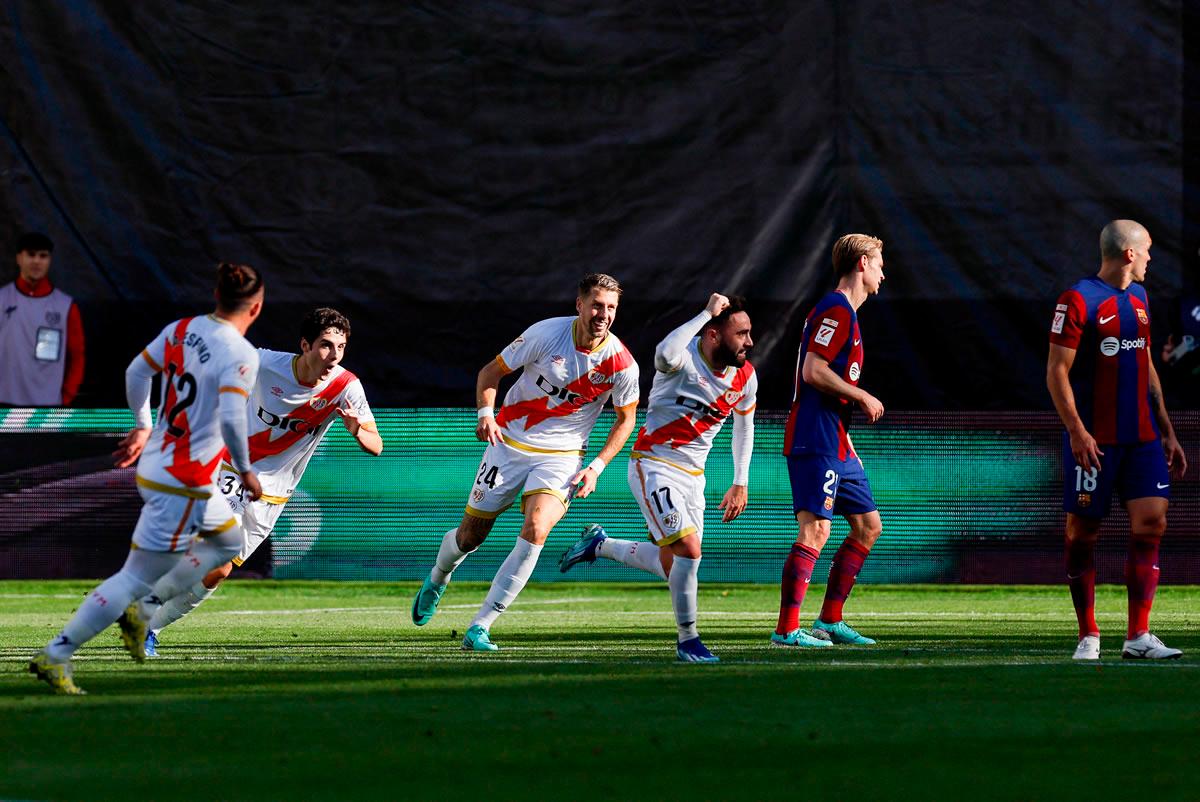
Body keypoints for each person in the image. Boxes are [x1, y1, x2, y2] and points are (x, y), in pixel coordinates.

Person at [28, 262, 264, 694]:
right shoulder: (241, 353)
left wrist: (142, 425)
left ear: (216, 295)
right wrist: (246, 470)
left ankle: (145, 610)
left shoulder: (181, 329)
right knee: (133, 578)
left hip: (161, 462)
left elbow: (136, 372)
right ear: (257, 306)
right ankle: (57, 653)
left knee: (228, 543)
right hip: (183, 479)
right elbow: (232, 418)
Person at [410, 273, 640, 651]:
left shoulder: (621, 364)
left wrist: (596, 467)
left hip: (564, 455)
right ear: (579, 305)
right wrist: (486, 413)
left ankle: (481, 625)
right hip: (509, 443)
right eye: (597, 305)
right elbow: (490, 372)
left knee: (537, 526)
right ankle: (438, 577)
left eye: (611, 308)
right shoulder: (545, 334)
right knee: (470, 537)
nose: (603, 314)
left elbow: (626, 419)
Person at [142, 307, 383, 655]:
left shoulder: (346, 387)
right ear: (305, 345)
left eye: (341, 347)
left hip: (274, 493)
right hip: (229, 470)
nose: (334, 356)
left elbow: (377, 445)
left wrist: (358, 431)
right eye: (326, 346)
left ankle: (150, 626)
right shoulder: (265, 364)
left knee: (219, 572)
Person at [558, 293, 756, 662]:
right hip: (653, 464)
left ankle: (599, 545)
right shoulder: (682, 357)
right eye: (741, 333)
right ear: (713, 334)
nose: (749, 341)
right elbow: (664, 353)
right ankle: (688, 640)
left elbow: (745, 426)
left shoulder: (746, 376)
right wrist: (704, 313)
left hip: (694, 478)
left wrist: (740, 480)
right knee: (689, 550)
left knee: (674, 565)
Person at [1047, 219, 1187, 661]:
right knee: (1082, 535)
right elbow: (1056, 372)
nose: (1151, 258)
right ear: (1129, 253)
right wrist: (1076, 430)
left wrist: (1166, 429)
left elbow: (1146, 365)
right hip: (1095, 441)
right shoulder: (1078, 300)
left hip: (1142, 438)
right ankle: (1088, 634)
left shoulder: (1141, 298)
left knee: (1152, 525)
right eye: (1147, 250)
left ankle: (1138, 637)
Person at [772, 234, 886, 649]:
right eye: (878, 264)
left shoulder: (847, 313)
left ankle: (830, 621)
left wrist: (847, 432)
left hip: (836, 438)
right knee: (816, 528)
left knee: (867, 526)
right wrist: (862, 395)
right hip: (814, 436)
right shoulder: (836, 308)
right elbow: (813, 371)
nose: (882, 273)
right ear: (861, 264)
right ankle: (786, 629)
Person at [0, 232, 85, 405]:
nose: (37, 261)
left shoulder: (65, 306)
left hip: (47, 410)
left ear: (49, 260)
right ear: (19, 258)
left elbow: (77, 356)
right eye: (31, 254)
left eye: (43, 256)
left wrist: (66, 396)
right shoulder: (2, 299)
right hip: (4, 406)